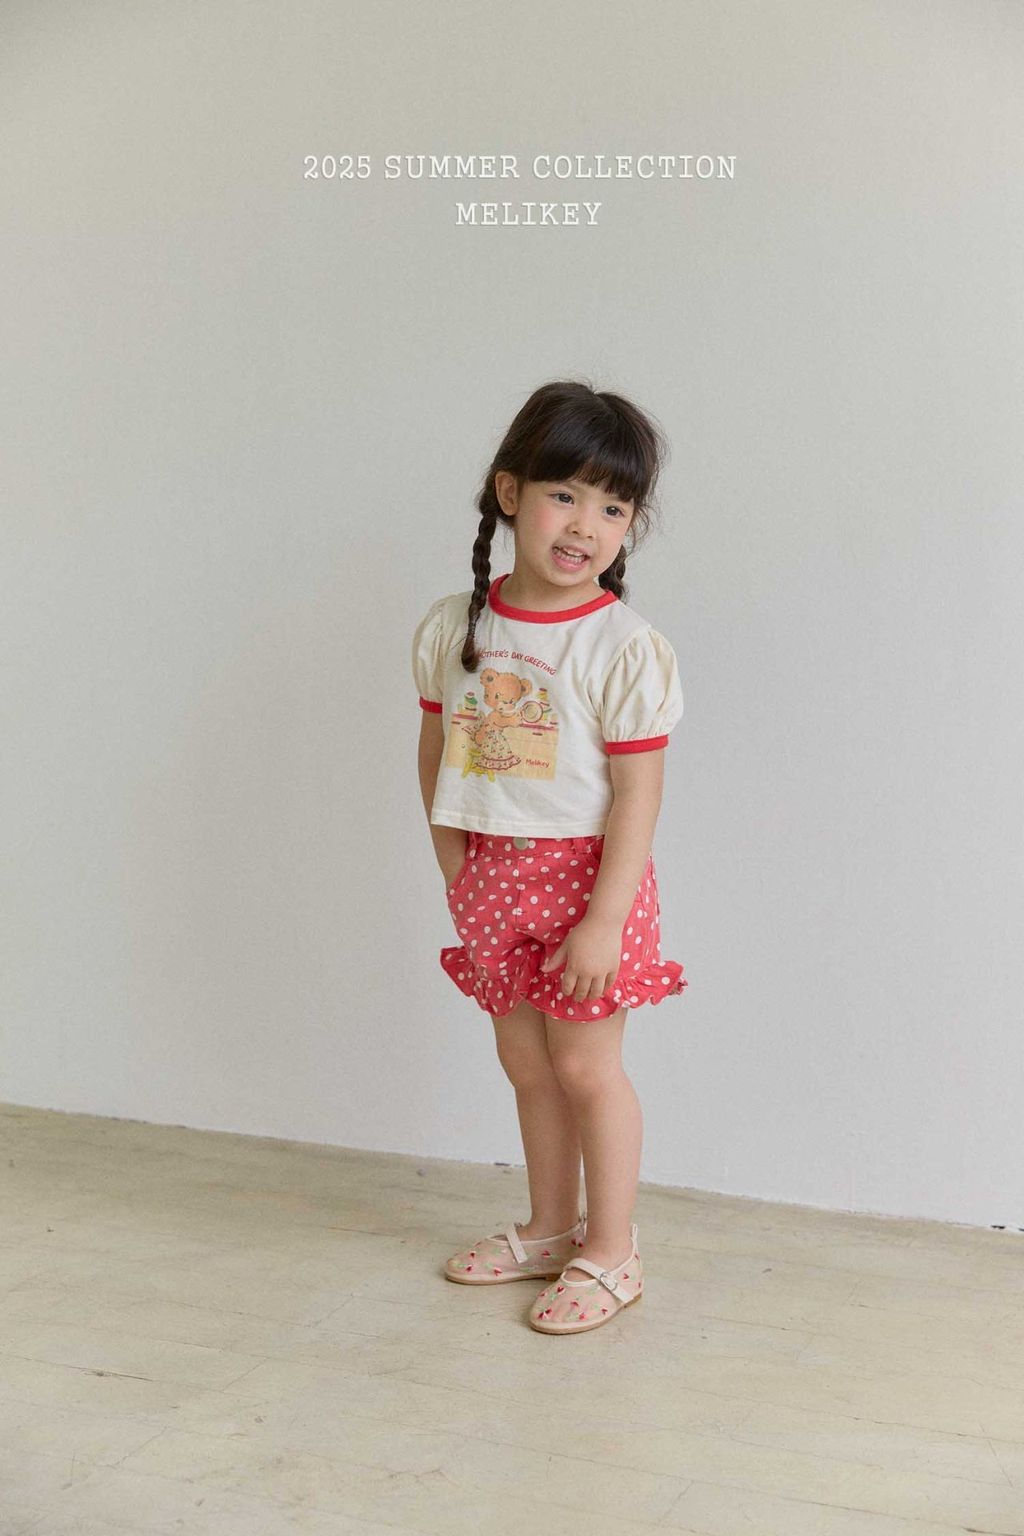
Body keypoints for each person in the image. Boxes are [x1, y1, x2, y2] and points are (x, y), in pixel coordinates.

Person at [412, 379, 687, 1335]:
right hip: (491, 877)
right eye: (565, 494)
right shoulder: (456, 627)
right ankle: (549, 1228)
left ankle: (612, 1251)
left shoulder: (622, 646)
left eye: (613, 507)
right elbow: (438, 754)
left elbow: (639, 796)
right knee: (526, 1063)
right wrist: (457, 868)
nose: (585, 525)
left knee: (585, 1068)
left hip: (587, 885)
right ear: (509, 492)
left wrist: (605, 920)